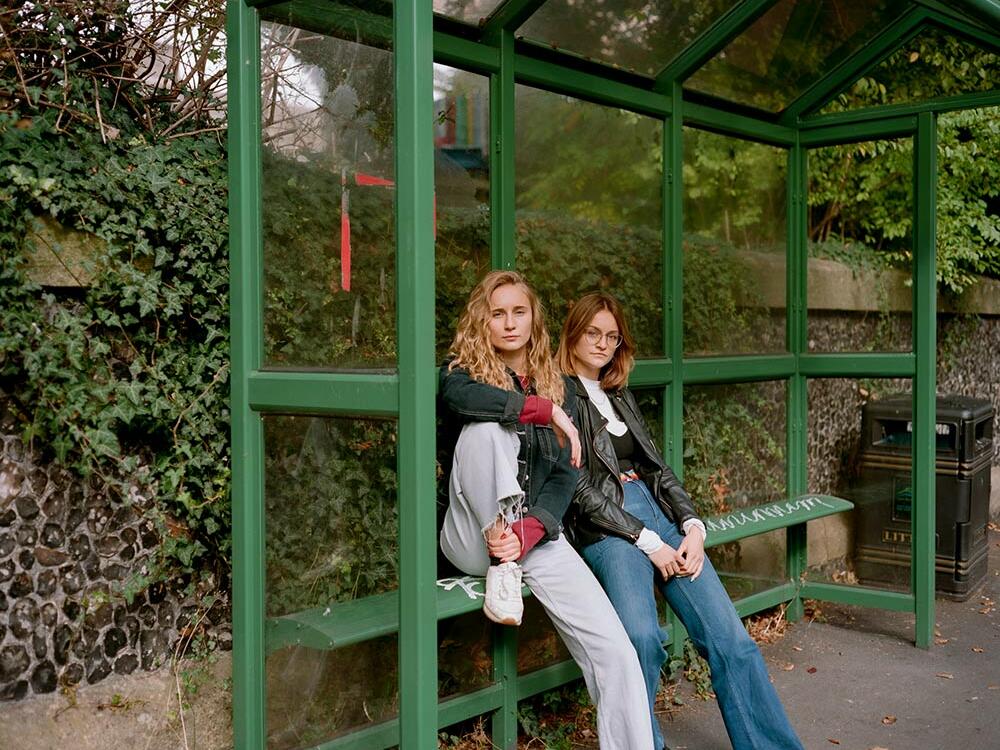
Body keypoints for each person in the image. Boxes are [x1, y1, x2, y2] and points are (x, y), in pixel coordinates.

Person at [556, 291, 804, 750]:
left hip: (657, 515)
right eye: (593, 332)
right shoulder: (559, 394)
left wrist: (692, 526)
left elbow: (656, 468)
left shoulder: (618, 395)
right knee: (642, 640)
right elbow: (576, 490)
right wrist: (648, 540)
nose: (602, 343)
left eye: (611, 336)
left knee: (731, 640)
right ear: (573, 333)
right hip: (610, 528)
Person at [438, 270, 655, 749]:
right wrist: (544, 410)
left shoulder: (554, 380)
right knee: (486, 429)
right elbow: (460, 399)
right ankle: (502, 556)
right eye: (498, 314)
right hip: (471, 537)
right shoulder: (461, 373)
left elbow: (563, 475)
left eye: (520, 312)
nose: (510, 323)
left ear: (534, 319)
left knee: (615, 650)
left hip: (531, 539)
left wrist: (531, 531)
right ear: (483, 322)